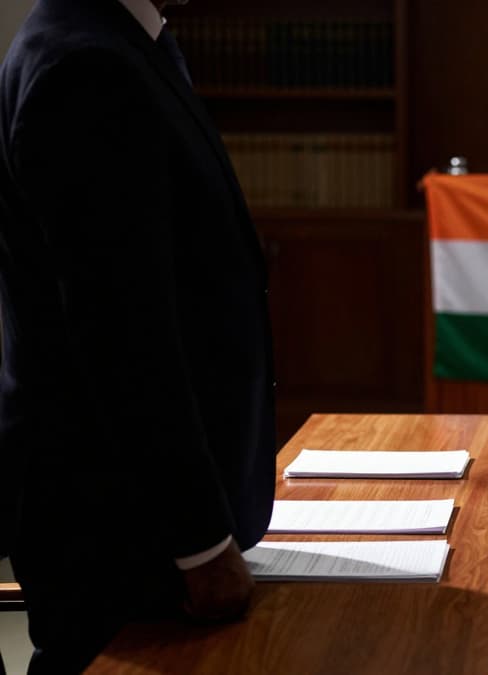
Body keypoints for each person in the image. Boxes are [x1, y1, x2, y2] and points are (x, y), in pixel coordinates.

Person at [0, 0, 277, 671]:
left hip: (139, 530)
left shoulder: (121, 41)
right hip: (123, 536)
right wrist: (201, 545)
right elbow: (125, 339)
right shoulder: (86, 66)